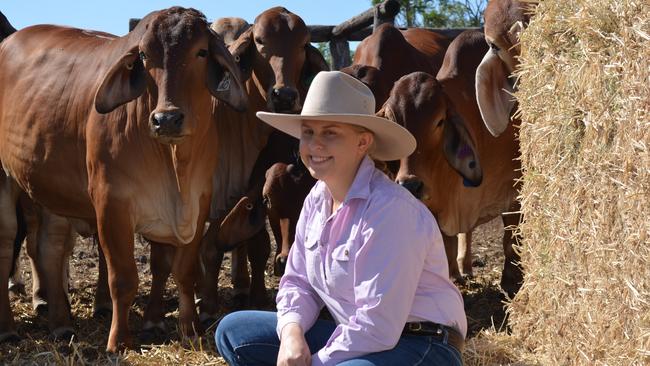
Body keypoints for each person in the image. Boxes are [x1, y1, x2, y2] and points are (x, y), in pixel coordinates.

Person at [215, 71, 467, 366]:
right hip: (357, 334)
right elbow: (298, 282)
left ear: (363, 143)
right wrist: (292, 335)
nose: (314, 144)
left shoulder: (391, 211)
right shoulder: (317, 198)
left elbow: (378, 327)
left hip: (422, 344)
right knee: (234, 331)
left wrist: (317, 362)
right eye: (308, 132)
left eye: (330, 132)